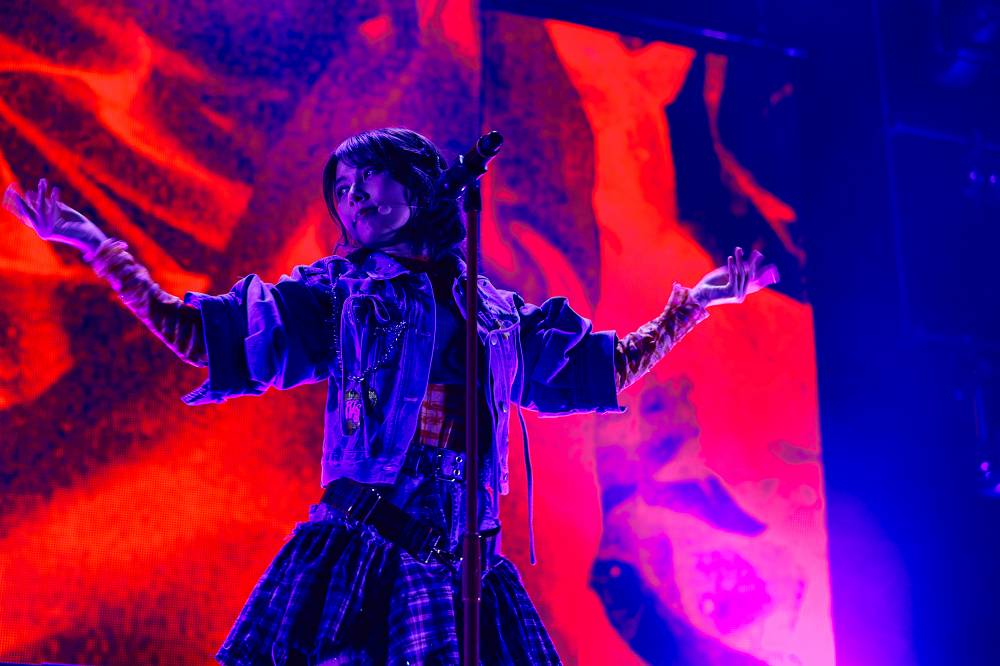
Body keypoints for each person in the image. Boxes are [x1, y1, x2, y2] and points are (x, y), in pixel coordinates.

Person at [3, 127, 778, 665]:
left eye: (366, 178)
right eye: (340, 190)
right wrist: (96, 248)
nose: (352, 197)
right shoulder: (338, 295)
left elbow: (602, 369)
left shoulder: (498, 313)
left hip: (470, 563)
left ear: (419, 183)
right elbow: (198, 335)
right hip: (369, 547)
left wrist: (699, 304)